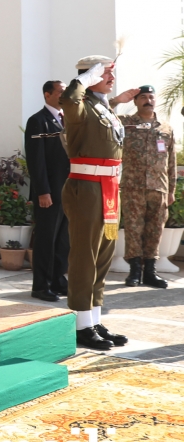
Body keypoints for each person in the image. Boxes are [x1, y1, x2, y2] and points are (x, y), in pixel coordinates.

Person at [60, 56, 139, 351]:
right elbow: (69, 99)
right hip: (86, 189)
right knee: (85, 256)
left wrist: (113, 101)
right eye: (105, 73)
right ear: (90, 76)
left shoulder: (104, 108)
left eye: (111, 72)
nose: (111, 77)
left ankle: (93, 319)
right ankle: (81, 327)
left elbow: (104, 129)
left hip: (108, 188)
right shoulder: (79, 106)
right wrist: (87, 78)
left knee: (103, 255)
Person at [119, 85, 176, 288]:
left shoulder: (165, 128)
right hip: (133, 187)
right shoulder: (125, 123)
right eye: (143, 97)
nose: (148, 100)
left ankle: (150, 272)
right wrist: (118, 100)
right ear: (135, 101)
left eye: (151, 97)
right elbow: (103, 112)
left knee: (155, 230)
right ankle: (134, 272)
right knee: (133, 229)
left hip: (158, 187)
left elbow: (171, 161)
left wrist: (171, 191)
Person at [25, 80, 70, 301]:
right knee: (46, 239)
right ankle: (41, 285)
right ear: (47, 95)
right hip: (49, 193)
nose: (64, 96)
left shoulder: (69, 120)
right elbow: (36, 161)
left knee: (63, 240)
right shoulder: (38, 121)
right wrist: (43, 191)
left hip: (68, 191)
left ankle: (58, 279)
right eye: (60, 92)